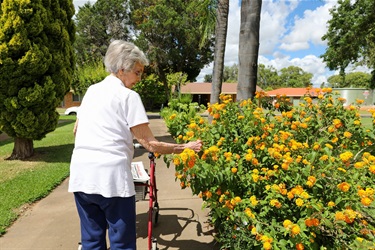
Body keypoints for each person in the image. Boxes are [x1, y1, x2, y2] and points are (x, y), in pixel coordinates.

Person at [68, 40, 202, 250]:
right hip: (111, 179)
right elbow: (150, 144)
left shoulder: (91, 91)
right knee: (122, 244)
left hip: (82, 176)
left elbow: (77, 128)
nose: (139, 79)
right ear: (122, 70)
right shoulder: (128, 96)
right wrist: (185, 147)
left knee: (91, 241)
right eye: (138, 72)